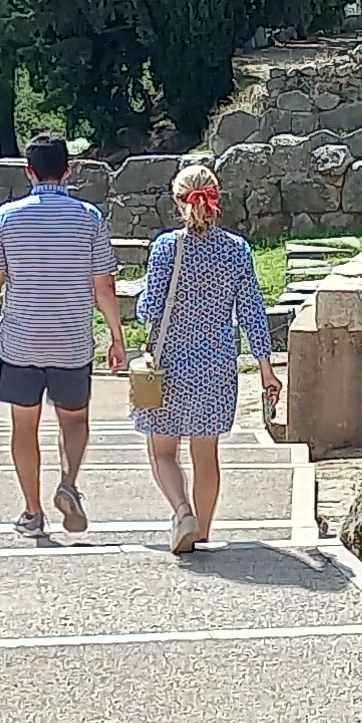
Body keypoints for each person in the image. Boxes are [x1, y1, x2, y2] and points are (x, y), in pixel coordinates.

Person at [0, 134, 125, 537]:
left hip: (21, 341)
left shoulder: (6, 218)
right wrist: (116, 336)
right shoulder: (89, 218)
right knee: (74, 419)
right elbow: (104, 286)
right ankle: (68, 483)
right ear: (68, 171)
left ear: (29, 171)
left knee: (24, 427)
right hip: (72, 341)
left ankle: (33, 512)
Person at [132, 163, 277, 555]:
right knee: (206, 454)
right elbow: (252, 312)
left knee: (163, 451)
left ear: (178, 201)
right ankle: (204, 531)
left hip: (169, 365)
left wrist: (143, 302)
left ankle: (183, 513)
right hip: (217, 366)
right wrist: (265, 368)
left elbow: (150, 310)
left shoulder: (166, 247)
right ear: (217, 198)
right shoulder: (236, 250)